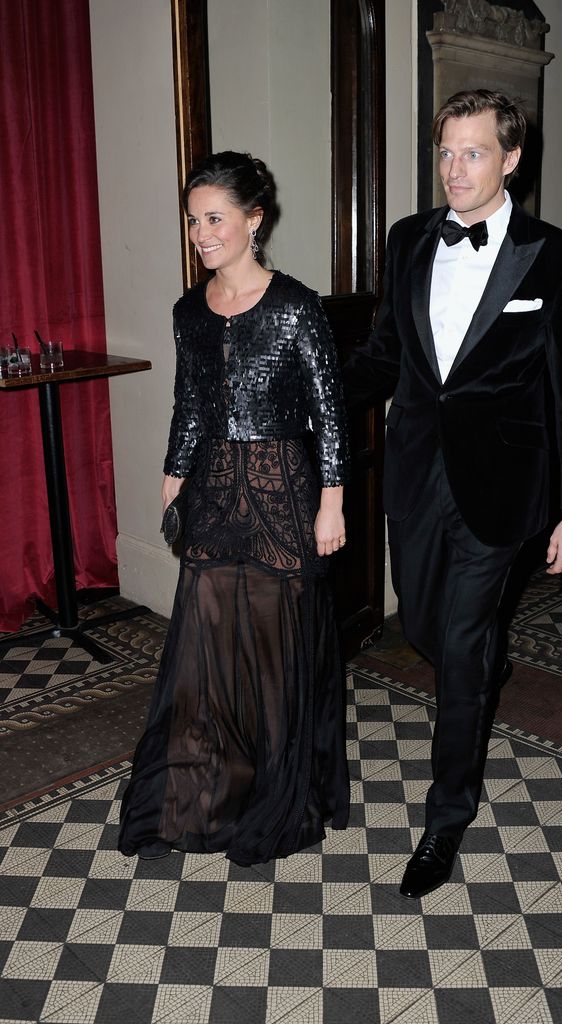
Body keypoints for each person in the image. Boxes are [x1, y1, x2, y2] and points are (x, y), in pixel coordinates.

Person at [343, 90, 562, 899]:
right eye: (446, 153)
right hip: (416, 474)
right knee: (423, 623)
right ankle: (482, 658)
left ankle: (444, 818)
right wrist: (313, 390)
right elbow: (386, 356)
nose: (455, 170)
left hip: (502, 485)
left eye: (474, 153)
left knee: (457, 646)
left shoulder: (556, 258)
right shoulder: (410, 238)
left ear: (511, 158)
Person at [119, 151, 351, 865]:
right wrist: (172, 472)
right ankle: (202, 792)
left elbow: (329, 413)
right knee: (207, 646)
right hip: (215, 486)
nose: (201, 233)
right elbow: (189, 401)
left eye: (214, 219)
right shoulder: (189, 308)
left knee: (276, 646)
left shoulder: (295, 306)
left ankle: (278, 793)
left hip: (284, 488)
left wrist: (332, 503)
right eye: (193, 222)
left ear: (253, 221)